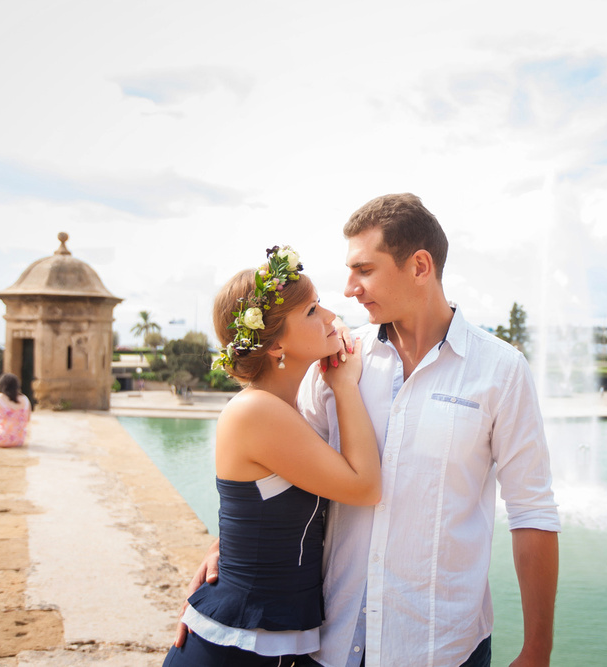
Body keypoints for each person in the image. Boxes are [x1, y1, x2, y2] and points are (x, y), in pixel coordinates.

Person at [185, 195, 561, 666]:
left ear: (420, 265)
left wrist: (537, 648)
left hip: (440, 649)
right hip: (330, 645)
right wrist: (226, 552)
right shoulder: (337, 359)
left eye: (364, 269)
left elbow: (533, 512)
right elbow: (283, 467)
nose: (350, 289)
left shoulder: (502, 370)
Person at [164, 245, 381, 667]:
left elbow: (255, 511)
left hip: (264, 644)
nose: (330, 317)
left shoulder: (282, 408)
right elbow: (365, 486)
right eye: (312, 312)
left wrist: (219, 546)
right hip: (233, 648)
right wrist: (345, 386)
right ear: (276, 344)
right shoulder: (257, 410)